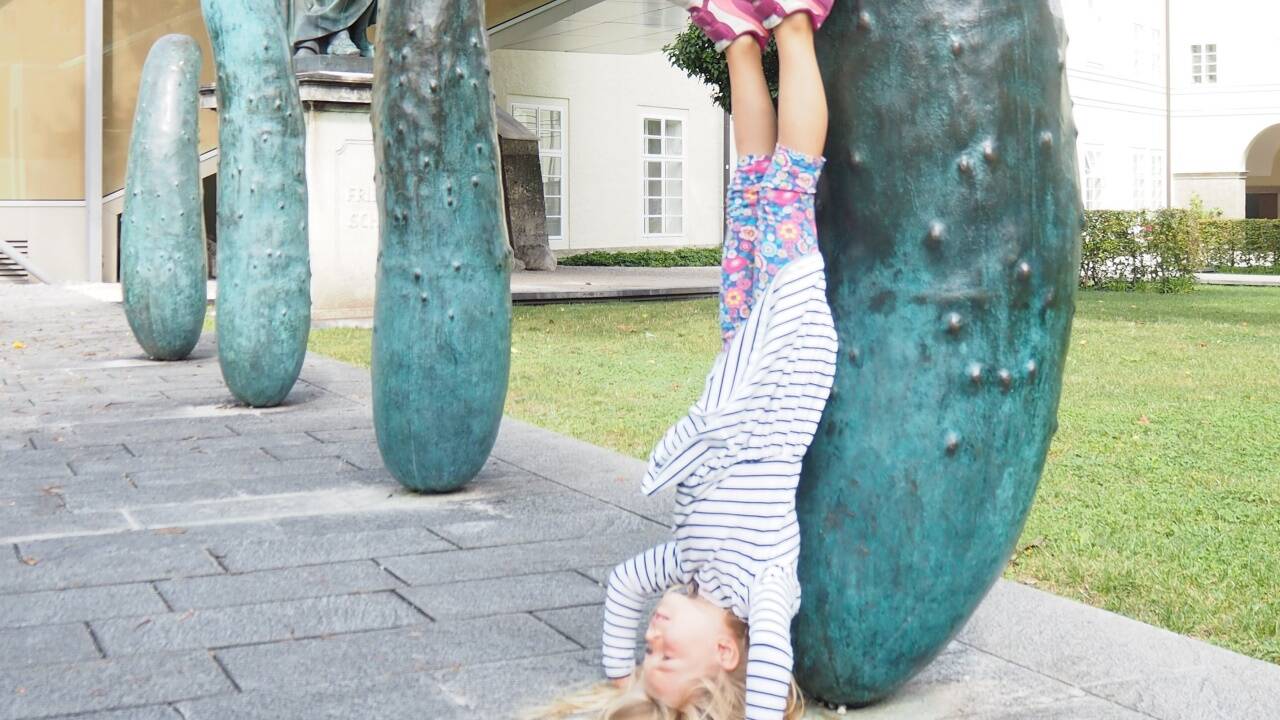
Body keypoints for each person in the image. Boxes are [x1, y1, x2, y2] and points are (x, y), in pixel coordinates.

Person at [530, 0, 837, 718]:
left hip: (741, 360)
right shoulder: (764, 587)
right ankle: (794, 20)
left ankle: (738, 39)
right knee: (790, 184)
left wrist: (619, 686)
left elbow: (621, 588)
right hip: (788, 356)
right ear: (727, 655)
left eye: (648, 650)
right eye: (667, 654)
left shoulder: (685, 566)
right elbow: (766, 688)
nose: (655, 634)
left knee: (749, 189)